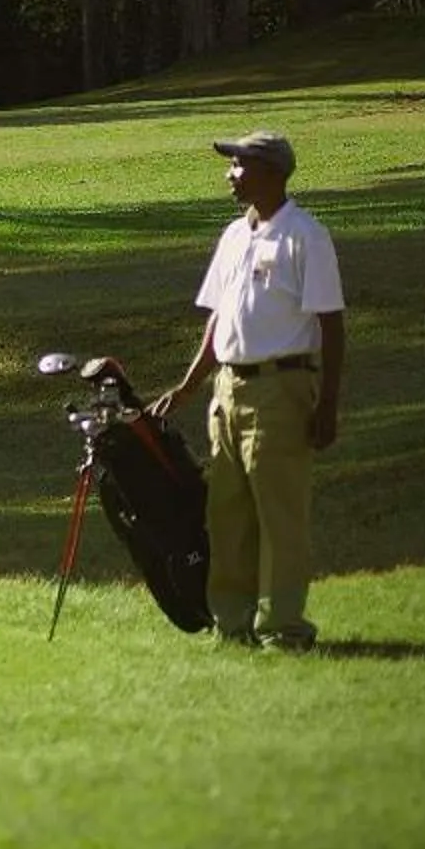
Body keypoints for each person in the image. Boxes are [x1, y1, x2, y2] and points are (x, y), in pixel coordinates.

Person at [152, 131, 347, 649]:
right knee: (228, 514)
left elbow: (332, 326)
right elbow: (219, 320)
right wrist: (191, 384)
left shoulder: (306, 236)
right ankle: (232, 623)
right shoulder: (234, 236)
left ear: (270, 172)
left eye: (238, 166)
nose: (229, 175)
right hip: (228, 390)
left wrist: (327, 405)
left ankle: (283, 627)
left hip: (282, 390)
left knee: (279, 516)